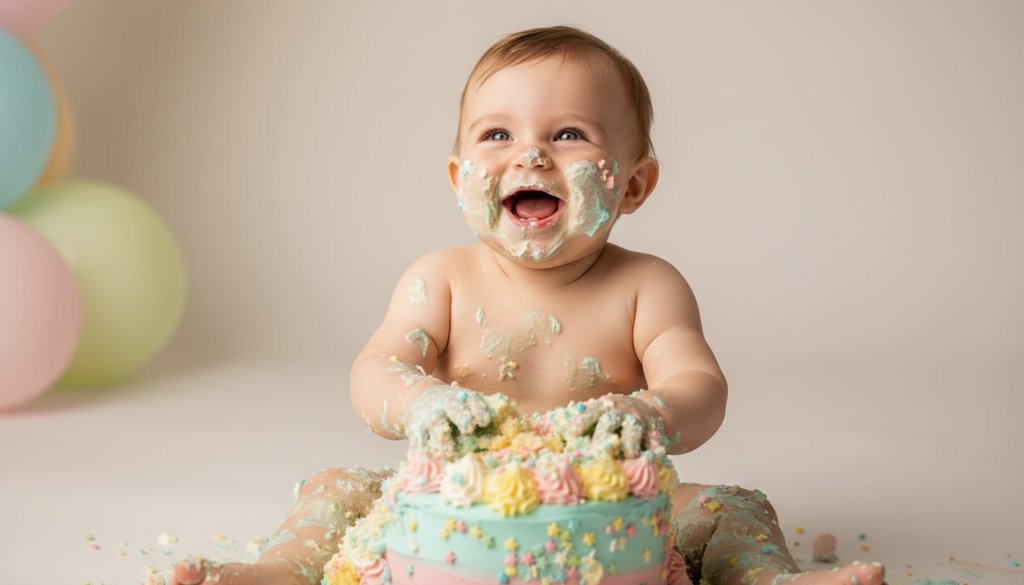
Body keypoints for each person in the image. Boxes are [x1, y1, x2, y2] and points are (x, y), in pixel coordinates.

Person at [170, 25, 886, 585]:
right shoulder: (441, 278)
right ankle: (274, 571)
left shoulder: (648, 287)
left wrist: (651, 413)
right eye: (497, 134)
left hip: (605, 501)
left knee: (731, 504)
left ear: (634, 185)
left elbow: (700, 385)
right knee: (337, 486)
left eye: (569, 134)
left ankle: (767, 575)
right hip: (452, 498)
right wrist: (419, 403)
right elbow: (376, 368)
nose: (531, 155)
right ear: (459, 177)